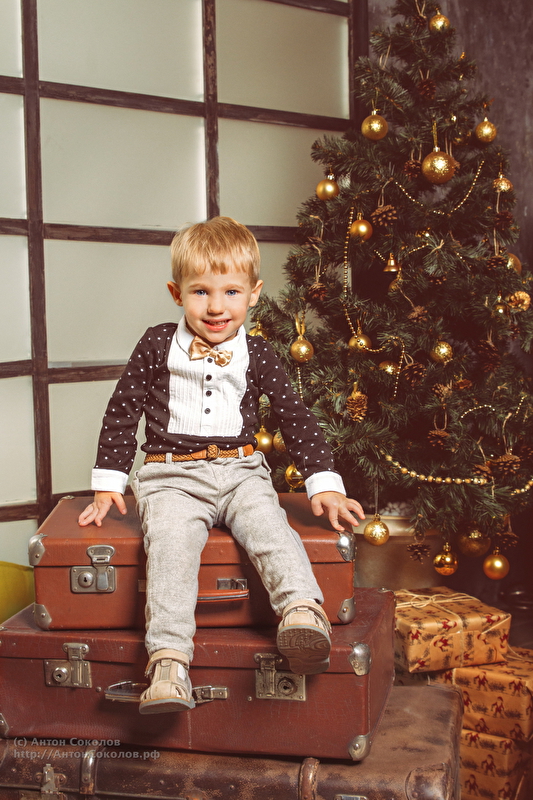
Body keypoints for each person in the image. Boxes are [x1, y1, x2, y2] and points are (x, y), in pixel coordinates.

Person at [78, 216, 364, 715]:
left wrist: (323, 483)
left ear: (254, 294)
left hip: (241, 472)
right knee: (171, 551)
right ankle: (169, 664)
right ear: (176, 293)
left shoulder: (258, 352)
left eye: (231, 292)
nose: (216, 307)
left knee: (270, 528)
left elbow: (295, 417)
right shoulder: (156, 344)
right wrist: (108, 483)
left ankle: (301, 612)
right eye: (200, 292)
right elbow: (122, 412)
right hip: (172, 476)